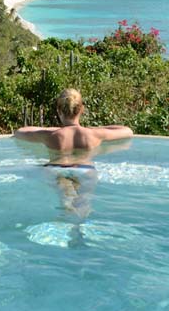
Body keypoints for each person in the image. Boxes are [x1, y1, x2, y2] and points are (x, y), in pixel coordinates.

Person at [14, 88, 132, 224]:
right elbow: (127, 131)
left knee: (66, 199)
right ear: (82, 109)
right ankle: (79, 228)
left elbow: (20, 131)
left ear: (59, 110)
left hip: (56, 168)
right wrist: (94, 129)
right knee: (84, 201)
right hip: (85, 169)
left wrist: (52, 129)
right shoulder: (94, 134)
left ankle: (66, 213)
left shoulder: (51, 135)